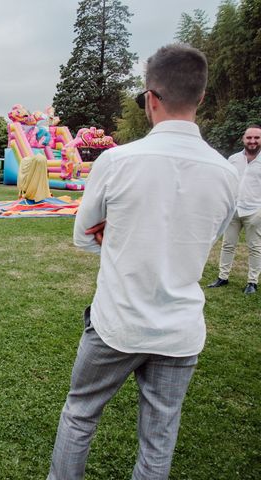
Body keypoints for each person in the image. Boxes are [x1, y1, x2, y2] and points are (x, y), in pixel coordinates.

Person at [47, 44, 238, 480]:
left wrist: (119, 240)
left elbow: (82, 236)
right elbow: (204, 237)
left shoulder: (116, 162)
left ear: (151, 97)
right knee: (159, 438)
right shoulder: (226, 174)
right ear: (202, 97)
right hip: (179, 329)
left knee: (80, 414)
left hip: (118, 320)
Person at [208, 125, 261, 294]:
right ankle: (222, 277)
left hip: (255, 211)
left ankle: (252, 282)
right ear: (243, 139)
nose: (252, 141)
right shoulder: (233, 159)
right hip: (234, 209)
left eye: (257, 138)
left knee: (255, 247)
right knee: (228, 245)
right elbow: (226, 182)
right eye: (249, 138)